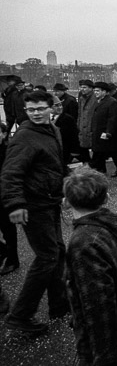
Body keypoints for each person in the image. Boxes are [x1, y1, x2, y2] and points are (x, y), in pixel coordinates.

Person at [1, 90, 69, 334]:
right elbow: (10, 173)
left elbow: (54, 165)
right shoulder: (25, 136)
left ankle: (59, 304)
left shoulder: (53, 130)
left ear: (52, 108)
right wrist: (16, 205)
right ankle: (20, 316)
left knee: (58, 251)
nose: (36, 113)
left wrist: (67, 185)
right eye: (31, 110)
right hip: (33, 204)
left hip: (49, 200)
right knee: (47, 256)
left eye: (40, 108)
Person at [63, 167, 117, 366]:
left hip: (103, 341)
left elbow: (97, 303)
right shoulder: (111, 227)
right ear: (107, 197)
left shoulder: (83, 242)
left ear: (66, 202)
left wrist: (104, 356)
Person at [91, 82, 117, 176]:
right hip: (98, 131)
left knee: (114, 152)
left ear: (104, 91)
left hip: (108, 132)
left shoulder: (112, 102)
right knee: (99, 151)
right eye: (94, 91)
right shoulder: (98, 101)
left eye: (97, 91)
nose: (95, 93)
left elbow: (113, 118)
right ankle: (101, 169)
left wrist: (108, 132)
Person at [0, 121, 19, 276]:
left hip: (4, 198)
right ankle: (4, 250)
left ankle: (12, 259)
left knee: (8, 230)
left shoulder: (8, 152)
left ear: (4, 134)